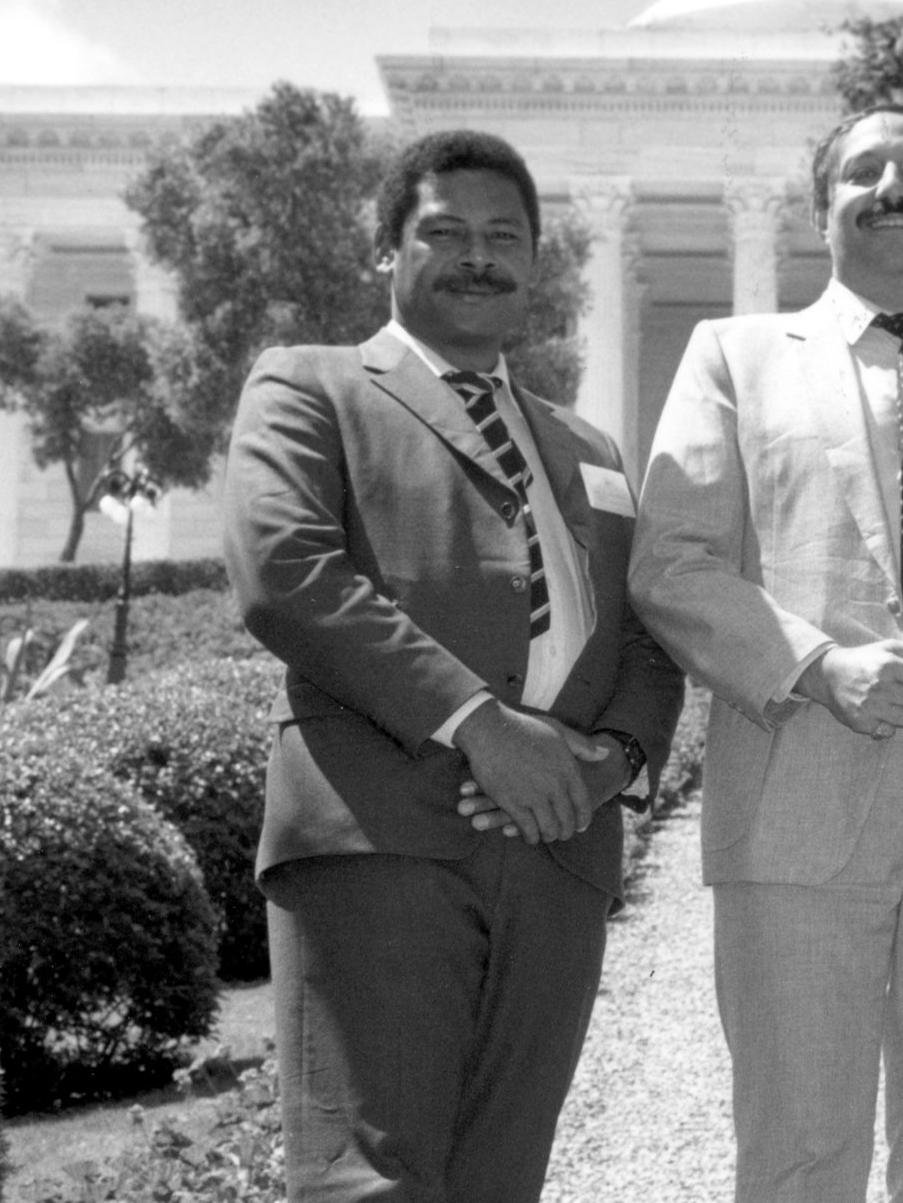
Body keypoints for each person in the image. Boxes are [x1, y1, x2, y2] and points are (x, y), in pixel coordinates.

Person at [221, 129, 684, 1201]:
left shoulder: (591, 449)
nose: (478, 255)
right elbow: (285, 572)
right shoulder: (310, 385)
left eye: (503, 236)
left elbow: (647, 631)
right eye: (446, 231)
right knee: (365, 1178)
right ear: (387, 250)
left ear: (535, 261)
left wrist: (606, 760)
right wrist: (483, 724)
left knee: (499, 1177)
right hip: (381, 831)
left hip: (559, 851)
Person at [629, 103, 903, 1202]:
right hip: (803, 764)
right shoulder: (731, 356)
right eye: (860, 170)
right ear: (820, 207)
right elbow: (673, 559)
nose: (890, 186)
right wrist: (816, 664)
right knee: (797, 1140)